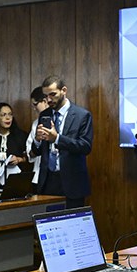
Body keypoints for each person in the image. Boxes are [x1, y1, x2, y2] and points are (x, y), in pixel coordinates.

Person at [29, 75, 93, 209]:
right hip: (48, 181)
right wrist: (38, 140)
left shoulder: (82, 115)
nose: (49, 99)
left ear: (64, 90)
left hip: (72, 182)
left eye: (53, 94)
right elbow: (37, 151)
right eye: (46, 96)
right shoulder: (44, 115)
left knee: (73, 225)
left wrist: (57, 139)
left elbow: (85, 147)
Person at [0, 102, 28, 189]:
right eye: (3, 115)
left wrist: (19, 159)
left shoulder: (21, 136)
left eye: (10, 114)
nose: (8, 118)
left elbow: (29, 158)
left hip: (15, 182)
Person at [25, 87, 49, 192]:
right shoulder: (36, 124)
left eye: (35, 104)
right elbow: (30, 153)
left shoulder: (61, 121)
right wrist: (37, 140)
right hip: (39, 175)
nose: (34, 108)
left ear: (44, 101)